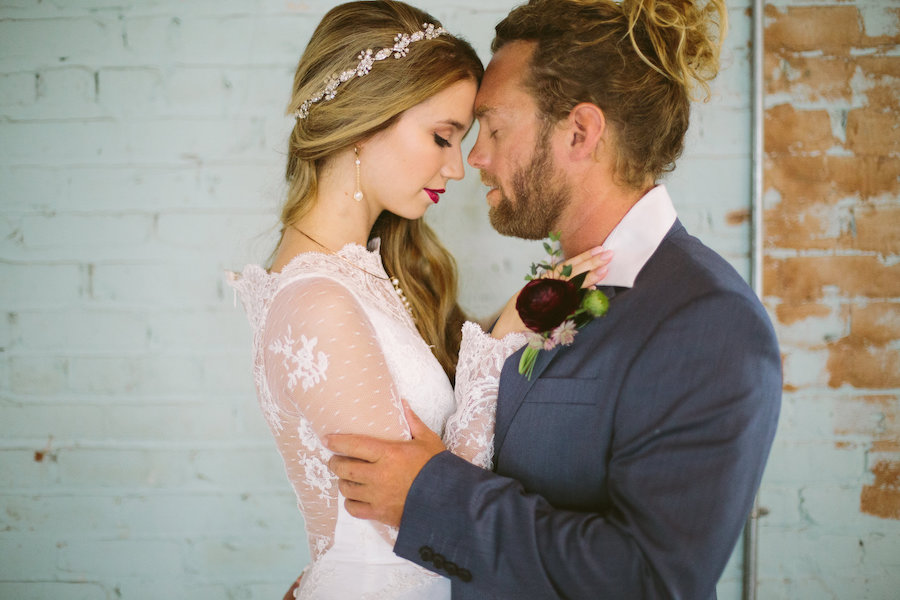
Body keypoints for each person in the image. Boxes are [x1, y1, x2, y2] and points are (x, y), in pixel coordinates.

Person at [326, 0, 783, 598]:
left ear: (580, 132)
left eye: (493, 127)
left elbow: (650, 579)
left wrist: (429, 497)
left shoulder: (713, 323)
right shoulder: (545, 296)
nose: (475, 159)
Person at [228, 2, 612, 598]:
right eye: (442, 137)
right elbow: (412, 511)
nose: (456, 169)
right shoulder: (318, 300)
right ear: (365, 120)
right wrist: (501, 340)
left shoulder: (357, 276)